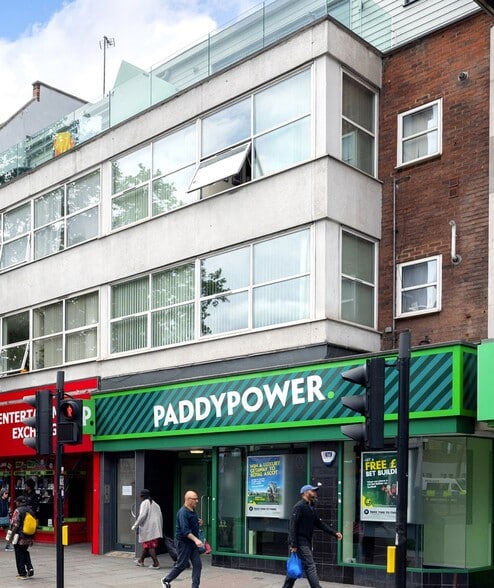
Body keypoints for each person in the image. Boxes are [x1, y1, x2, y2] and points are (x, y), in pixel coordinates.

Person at [281, 484, 342, 588]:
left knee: (295, 566)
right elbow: (292, 526)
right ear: (305, 493)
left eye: (315, 491)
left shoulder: (311, 507)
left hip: (306, 541)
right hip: (300, 542)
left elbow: (319, 523)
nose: (315, 493)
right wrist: (293, 544)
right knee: (310, 565)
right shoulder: (299, 506)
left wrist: (334, 533)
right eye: (312, 491)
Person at [161, 490, 204, 588]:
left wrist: (199, 522)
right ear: (188, 500)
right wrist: (196, 540)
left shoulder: (192, 509)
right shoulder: (183, 512)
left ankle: (195, 586)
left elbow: (191, 522)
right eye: (195, 499)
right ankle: (166, 580)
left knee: (197, 565)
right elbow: (185, 531)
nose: (197, 501)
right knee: (182, 565)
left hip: (192, 543)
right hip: (183, 543)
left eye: (197, 499)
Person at [132, 489, 163, 569]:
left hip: (149, 528)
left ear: (142, 496)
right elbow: (160, 516)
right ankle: (141, 561)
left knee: (150, 546)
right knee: (147, 545)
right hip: (155, 528)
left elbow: (142, 516)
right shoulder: (155, 504)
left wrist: (135, 525)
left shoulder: (145, 503)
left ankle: (156, 564)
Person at [9, 495, 36, 580]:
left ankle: (22, 573)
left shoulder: (18, 511)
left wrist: (11, 537)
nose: (16, 503)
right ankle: (30, 568)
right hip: (29, 537)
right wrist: (32, 538)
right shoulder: (30, 511)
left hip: (20, 537)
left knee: (19, 554)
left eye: (16, 502)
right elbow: (34, 525)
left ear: (19, 502)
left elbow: (15, 525)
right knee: (24, 552)